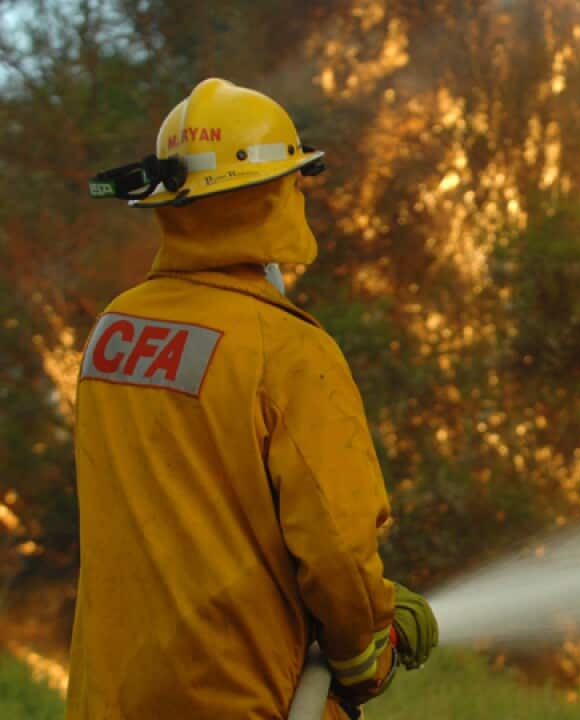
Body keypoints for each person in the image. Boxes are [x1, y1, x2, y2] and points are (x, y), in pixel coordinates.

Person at [68, 77, 436, 719]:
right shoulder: (286, 349)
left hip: (111, 700)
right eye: (294, 182)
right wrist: (370, 646)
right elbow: (338, 549)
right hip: (239, 702)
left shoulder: (114, 333)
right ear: (272, 197)